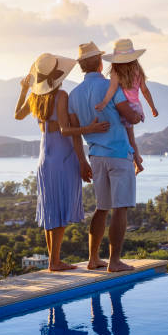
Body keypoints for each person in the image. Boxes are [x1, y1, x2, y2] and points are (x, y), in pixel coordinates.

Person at [14, 53, 109, 271]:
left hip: (44, 159)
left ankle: (53, 260)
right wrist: (90, 129)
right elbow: (67, 130)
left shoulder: (35, 98)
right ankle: (55, 261)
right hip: (62, 158)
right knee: (61, 208)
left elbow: (17, 115)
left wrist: (23, 89)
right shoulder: (62, 96)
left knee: (50, 209)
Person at [68, 41, 142, 272]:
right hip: (119, 154)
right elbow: (128, 114)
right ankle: (115, 261)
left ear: (81, 66)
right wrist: (138, 115)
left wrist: (82, 161)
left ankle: (93, 259)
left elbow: (75, 134)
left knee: (102, 208)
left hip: (95, 156)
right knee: (121, 208)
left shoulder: (74, 95)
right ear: (101, 63)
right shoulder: (111, 86)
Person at [95, 38, 159, 174]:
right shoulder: (137, 70)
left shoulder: (116, 72)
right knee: (130, 138)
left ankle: (137, 163)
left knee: (128, 139)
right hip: (136, 107)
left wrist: (104, 103)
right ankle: (137, 159)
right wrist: (153, 108)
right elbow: (145, 91)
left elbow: (112, 90)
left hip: (124, 109)